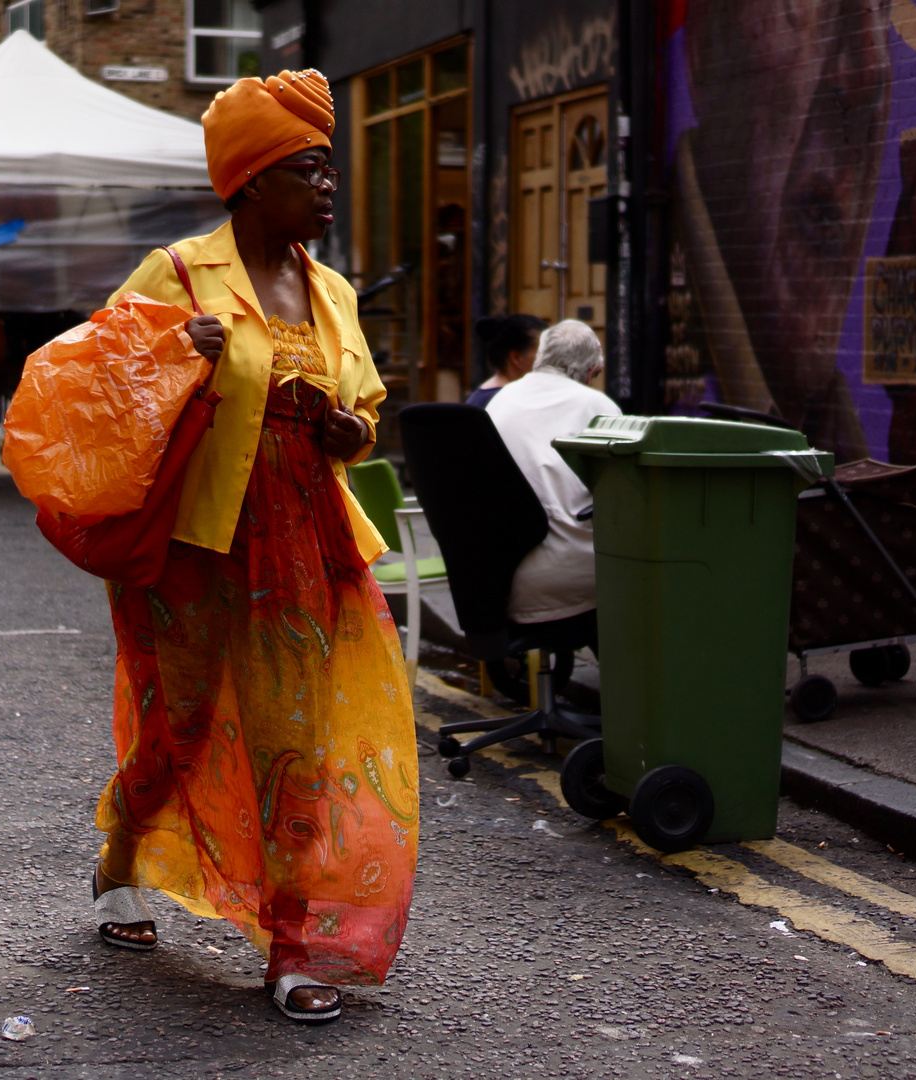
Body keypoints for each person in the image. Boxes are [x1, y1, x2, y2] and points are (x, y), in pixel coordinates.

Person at [87, 69, 417, 1025]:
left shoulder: (334, 291)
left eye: (330, 171)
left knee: (302, 747)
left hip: (308, 543)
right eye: (309, 169)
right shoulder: (179, 272)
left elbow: (366, 410)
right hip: (196, 544)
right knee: (178, 727)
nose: (329, 186)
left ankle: (295, 945)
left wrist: (351, 433)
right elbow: (99, 382)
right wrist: (169, 357)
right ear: (252, 179)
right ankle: (119, 858)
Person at [485, 319, 620, 629]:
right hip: (572, 581)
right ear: (590, 372)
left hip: (501, 579)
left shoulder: (500, 400)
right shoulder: (598, 405)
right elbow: (619, 497)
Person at [466, 313, 549, 409]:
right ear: (517, 358)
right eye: (543, 353)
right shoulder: (504, 401)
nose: (549, 359)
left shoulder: (494, 395)